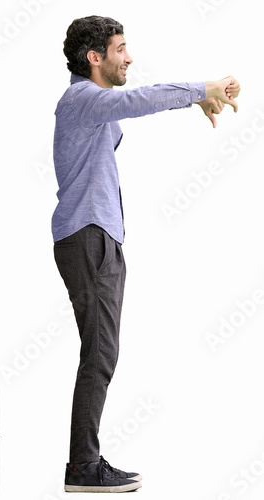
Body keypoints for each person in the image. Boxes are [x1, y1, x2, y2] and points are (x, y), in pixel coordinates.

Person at [51, 15, 240, 493]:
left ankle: (85, 462)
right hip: (88, 234)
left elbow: (136, 104)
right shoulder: (82, 98)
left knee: (101, 351)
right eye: (120, 49)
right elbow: (139, 99)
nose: (129, 57)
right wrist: (202, 87)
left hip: (98, 236)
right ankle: (82, 469)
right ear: (95, 58)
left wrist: (195, 101)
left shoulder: (93, 105)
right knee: (100, 352)